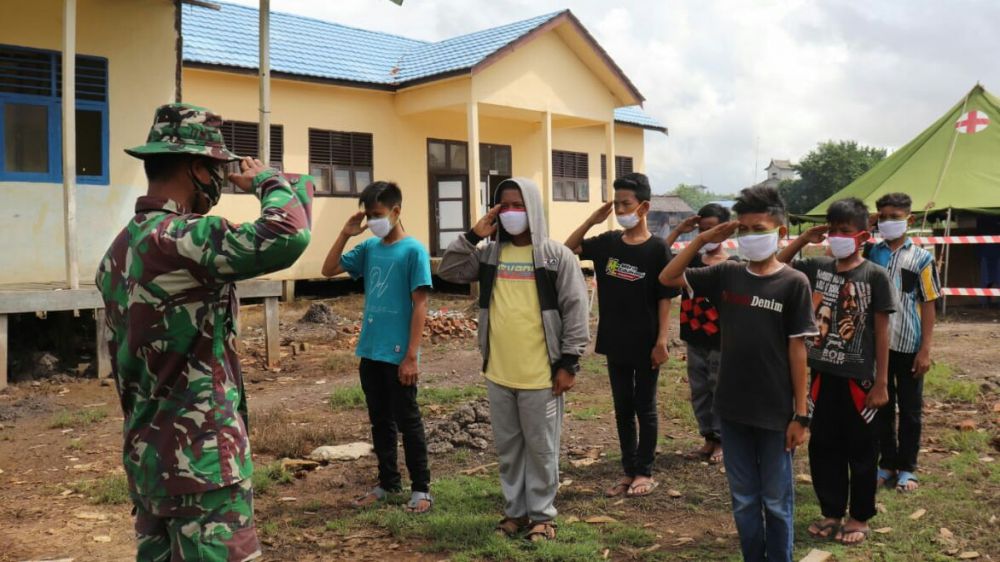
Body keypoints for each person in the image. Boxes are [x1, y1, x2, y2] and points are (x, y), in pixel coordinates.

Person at [96, 103, 313, 561]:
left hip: (150, 460)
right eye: (217, 169)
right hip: (203, 464)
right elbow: (289, 235)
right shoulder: (183, 237)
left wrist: (298, 188)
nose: (220, 180)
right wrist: (268, 182)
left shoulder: (120, 249)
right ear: (197, 168)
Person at [658, 186, 816, 562]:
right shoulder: (727, 275)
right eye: (742, 229)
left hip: (776, 413)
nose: (749, 236)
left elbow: (798, 350)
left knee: (777, 501)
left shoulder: (794, 283)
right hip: (731, 409)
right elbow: (668, 278)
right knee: (744, 500)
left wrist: (801, 413)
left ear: (780, 231)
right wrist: (701, 239)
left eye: (757, 227)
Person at [438, 178, 589, 542]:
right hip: (499, 372)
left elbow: (576, 311)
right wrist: (474, 235)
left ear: (533, 209)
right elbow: (448, 270)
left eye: (517, 205)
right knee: (508, 448)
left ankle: (542, 515)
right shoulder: (489, 255)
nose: (510, 213)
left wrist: (569, 363)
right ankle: (515, 512)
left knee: (541, 448)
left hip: (542, 375)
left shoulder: (556, 257)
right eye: (503, 206)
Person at [777, 198, 893, 545]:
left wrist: (883, 380)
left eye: (845, 231)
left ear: (862, 234)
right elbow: (776, 264)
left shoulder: (875, 275)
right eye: (833, 230)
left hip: (860, 380)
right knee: (824, 447)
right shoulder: (816, 268)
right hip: (821, 378)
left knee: (861, 449)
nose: (837, 237)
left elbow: (882, 329)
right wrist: (802, 239)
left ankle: (859, 516)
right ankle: (831, 512)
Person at [321, 181, 434, 513]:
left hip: (399, 355)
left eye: (377, 214)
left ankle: (422, 490)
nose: (372, 221)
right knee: (379, 421)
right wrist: (345, 233)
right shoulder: (369, 249)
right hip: (370, 352)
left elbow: (420, 306)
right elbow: (329, 270)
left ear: (396, 211)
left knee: (408, 422)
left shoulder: (413, 251)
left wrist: (411, 356)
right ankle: (388, 483)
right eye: (368, 215)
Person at [564, 173, 678, 498]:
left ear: (643, 207)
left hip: (646, 343)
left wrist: (661, 341)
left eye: (625, 204)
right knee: (622, 408)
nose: (619, 209)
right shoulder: (608, 243)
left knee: (646, 406)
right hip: (615, 340)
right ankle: (629, 470)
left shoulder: (657, 249)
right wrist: (591, 220)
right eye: (616, 204)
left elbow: (664, 297)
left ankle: (645, 471)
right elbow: (567, 248)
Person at [869, 192, 941, 492]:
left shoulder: (922, 258)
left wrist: (925, 350)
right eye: (883, 216)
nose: (888, 222)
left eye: (894, 217)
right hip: (877, 348)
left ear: (909, 220)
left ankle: (908, 468)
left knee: (910, 411)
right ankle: (886, 463)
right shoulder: (871, 254)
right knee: (881, 408)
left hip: (909, 345)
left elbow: (928, 304)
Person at [666, 204, 736, 465]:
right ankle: (708, 436)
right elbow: (659, 260)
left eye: (713, 230)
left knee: (720, 389)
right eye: (702, 229)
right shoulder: (691, 261)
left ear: (726, 230)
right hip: (693, 335)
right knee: (699, 389)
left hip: (722, 339)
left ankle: (722, 440)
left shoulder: (732, 265)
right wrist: (680, 231)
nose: (707, 235)